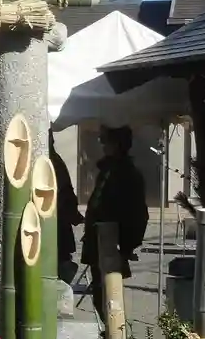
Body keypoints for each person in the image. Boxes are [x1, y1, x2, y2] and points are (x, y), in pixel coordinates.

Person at [81, 125, 149, 319]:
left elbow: (138, 214)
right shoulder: (107, 171)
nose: (103, 146)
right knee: (100, 295)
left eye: (107, 142)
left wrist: (126, 246)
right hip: (98, 240)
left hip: (113, 243)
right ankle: (109, 335)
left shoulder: (128, 174)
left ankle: (116, 337)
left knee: (110, 297)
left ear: (118, 144)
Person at [49, 145, 83, 283]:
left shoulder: (53, 161)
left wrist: (72, 213)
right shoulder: (53, 160)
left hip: (57, 218)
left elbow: (66, 191)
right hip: (56, 217)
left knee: (60, 257)